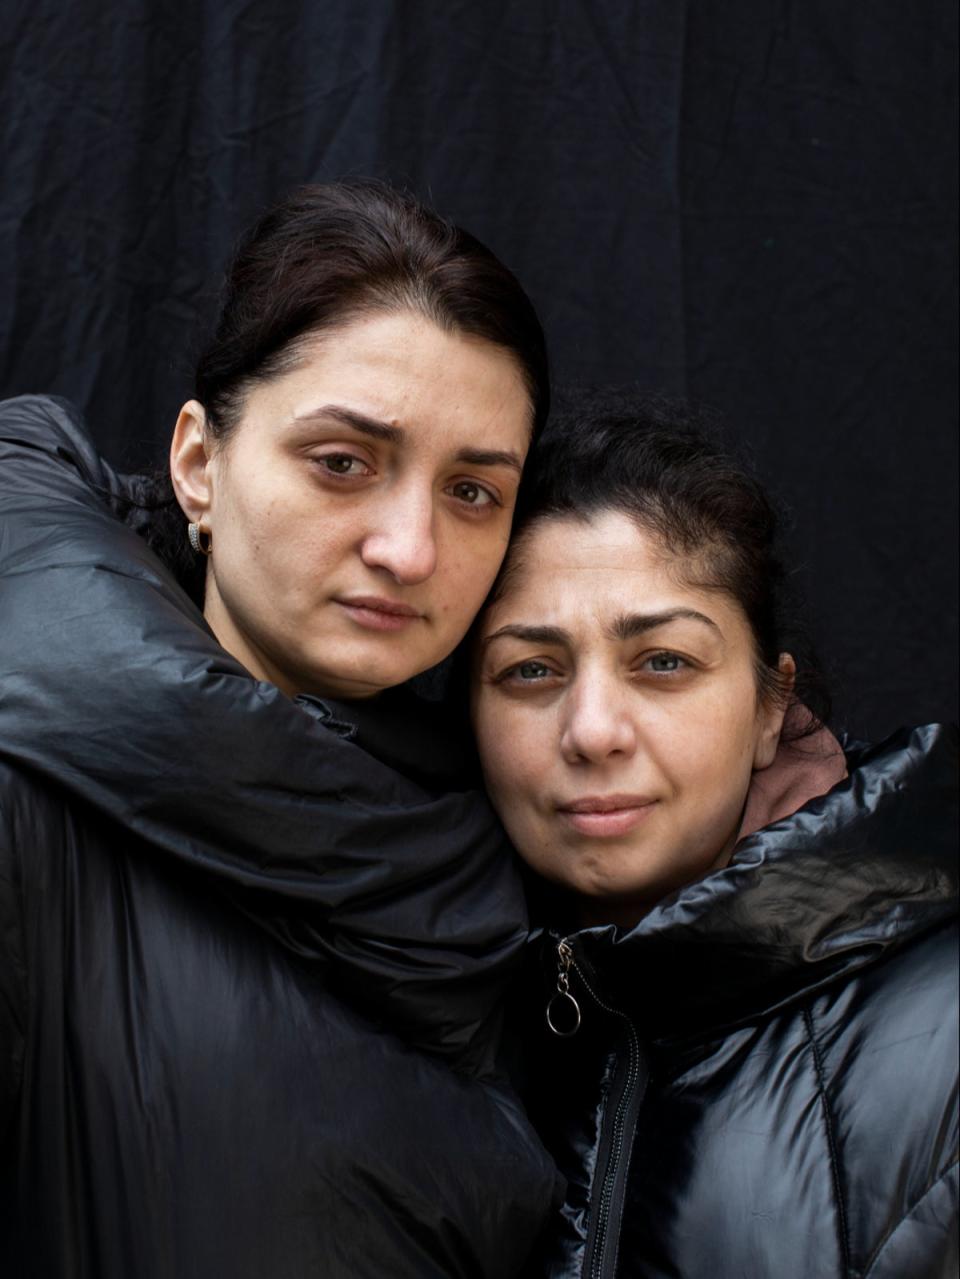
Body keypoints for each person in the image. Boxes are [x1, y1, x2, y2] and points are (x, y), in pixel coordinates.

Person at [0, 180, 560, 1278]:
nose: (409, 548)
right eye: (343, 462)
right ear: (200, 464)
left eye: (474, 491)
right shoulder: (31, 815)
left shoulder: (518, 841)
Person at [471, 397, 958, 1279]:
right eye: (530, 669)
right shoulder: (419, 1013)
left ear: (773, 707)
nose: (592, 730)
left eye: (664, 661)